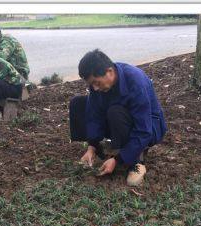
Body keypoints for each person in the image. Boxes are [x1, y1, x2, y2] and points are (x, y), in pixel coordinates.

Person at [69, 49, 167, 187]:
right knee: (78, 103)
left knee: (115, 112)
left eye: (96, 82)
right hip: (119, 121)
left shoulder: (135, 81)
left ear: (109, 71)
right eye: (91, 84)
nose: (95, 88)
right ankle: (103, 149)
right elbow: (94, 114)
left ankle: (137, 161)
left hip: (148, 127)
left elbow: (143, 129)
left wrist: (118, 160)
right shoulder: (98, 86)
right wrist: (92, 147)